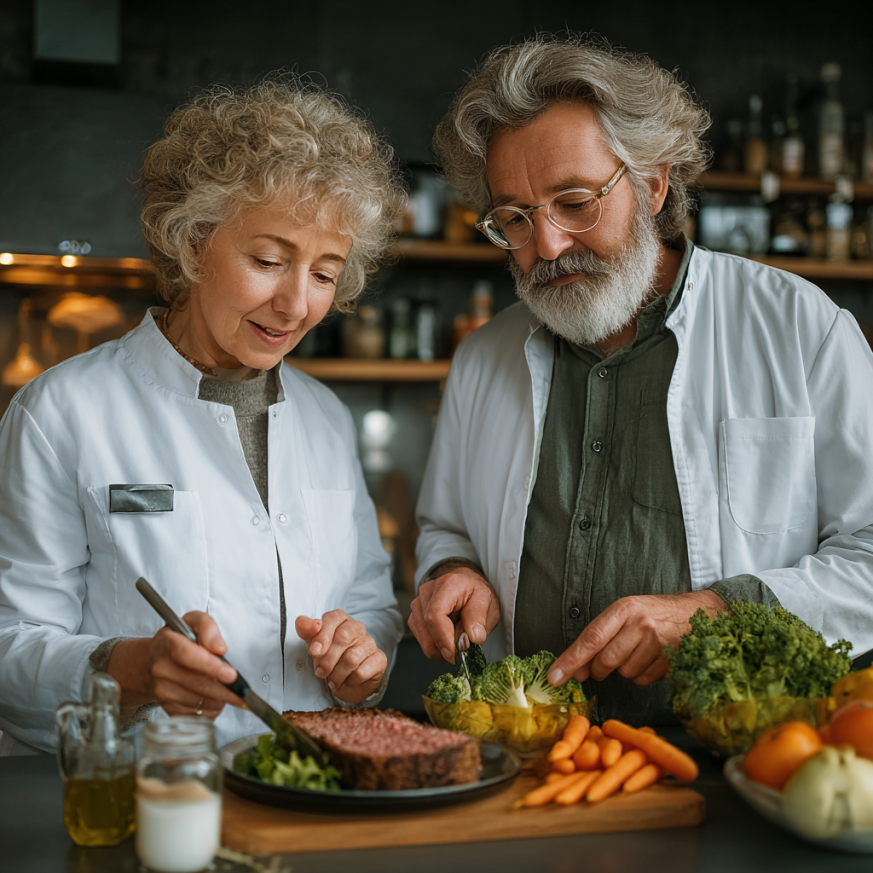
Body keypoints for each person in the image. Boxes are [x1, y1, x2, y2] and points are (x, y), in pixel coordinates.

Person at [409, 36, 873, 724]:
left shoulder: (799, 327)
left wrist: (717, 612)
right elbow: (445, 529)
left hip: (736, 764)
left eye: (573, 202)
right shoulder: (483, 357)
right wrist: (451, 574)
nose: (546, 247)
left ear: (652, 183)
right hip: (527, 761)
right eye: (513, 216)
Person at [0, 77, 406, 754]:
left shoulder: (327, 419)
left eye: (325, 272)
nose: (296, 303)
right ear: (192, 242)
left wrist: (363, 658)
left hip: (306, 794)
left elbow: (370, 600)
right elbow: (9, 646)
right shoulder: (61, 411)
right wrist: (125, 670)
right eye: (269, 259)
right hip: (146, 794)